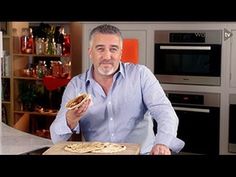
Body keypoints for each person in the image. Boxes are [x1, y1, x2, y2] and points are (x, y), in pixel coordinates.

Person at [50, 24, 185, 155]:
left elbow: (165, 113)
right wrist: (70, 119)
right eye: (100, 49)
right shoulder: (76, 85)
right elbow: (57, 138)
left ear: (121, 53)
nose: (107, 56)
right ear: (90, 52)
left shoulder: (141, 75)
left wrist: (162, 143)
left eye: (113, 49)